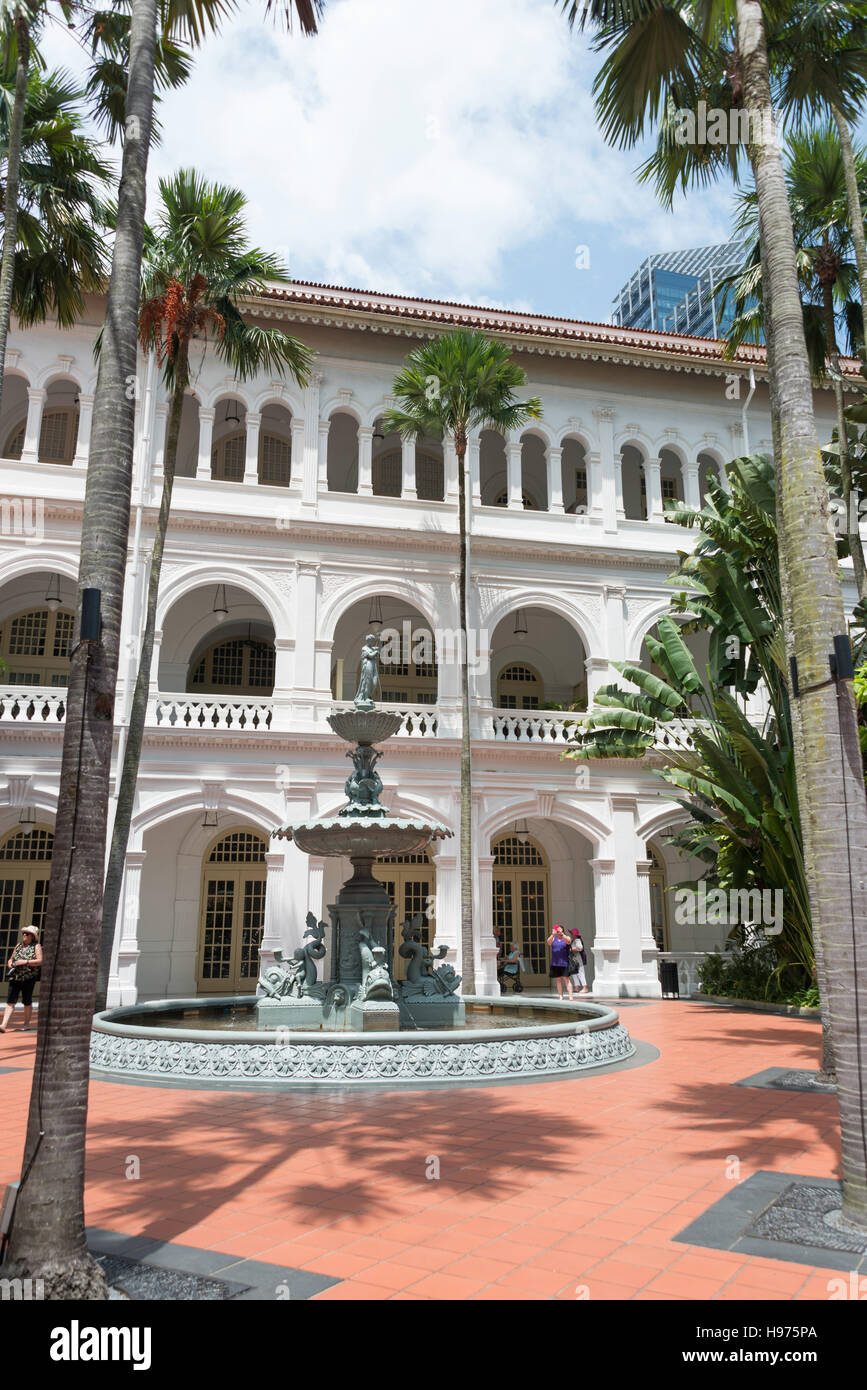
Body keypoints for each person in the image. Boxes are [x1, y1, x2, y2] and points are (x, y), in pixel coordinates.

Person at [2, 925, 42, 1033]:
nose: (24, 935)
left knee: (27, 1001)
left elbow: (39, 961)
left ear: (32, 936)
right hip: (16, 977)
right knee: (11, 1001)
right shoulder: (18, 946)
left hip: (28, 978)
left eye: (27, 934)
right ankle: (4, 1024)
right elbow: (11, 959)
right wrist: (10, 963)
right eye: (23, 933)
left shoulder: (36, 946)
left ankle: (26, 1024)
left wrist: (25, 962)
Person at [547, 923, 575, 1000]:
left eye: (560, 930)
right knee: (558, 980)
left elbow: (568, 941)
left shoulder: (566, 937)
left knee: (566, 979)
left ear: (562, 930)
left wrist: (562, 934)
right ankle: (560, 996)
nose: (558, 932)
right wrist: (552, 935)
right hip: (555, 962)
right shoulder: (553, 938)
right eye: (557, 930)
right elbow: (548, 942)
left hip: (564, 962)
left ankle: (570, 996)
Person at [569, 929, 590, 994]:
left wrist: (570, 949)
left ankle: (585, 987)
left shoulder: (577, 940)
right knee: (574, 973)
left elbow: (580, 948)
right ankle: (577, 987)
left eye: (572, 934)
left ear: (575, 935)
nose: (571, 935)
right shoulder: (574, 940)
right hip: (574, 959)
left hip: (578, 959)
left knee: (580, 973)